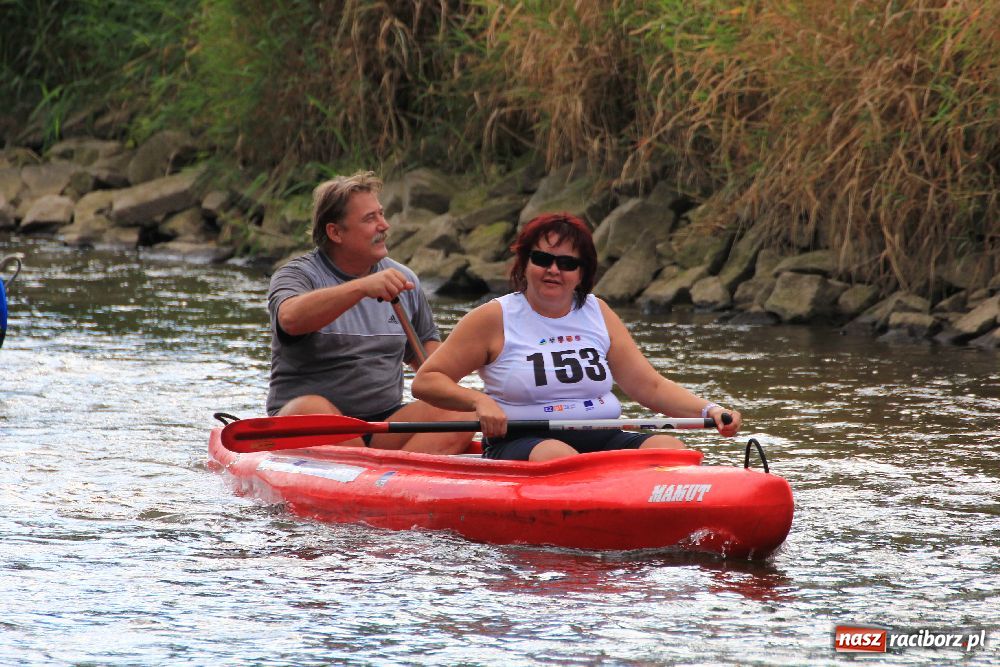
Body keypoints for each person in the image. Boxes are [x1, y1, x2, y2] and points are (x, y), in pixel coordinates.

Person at [411, 212, 742, 461]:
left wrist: (708, 410)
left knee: (670, 450)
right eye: (542, 259)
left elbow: (650, 386)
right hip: (523, 441)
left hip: (601, 434)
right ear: (524, 263)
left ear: (581, 273)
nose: (554, 270)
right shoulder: (492, 318)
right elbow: (427, 381)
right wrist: (480, 401)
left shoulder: (598, 311)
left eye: (567, 263)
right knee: (560, 458)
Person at [265, 170, 471, 454]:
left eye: (382, 214)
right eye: (370, 219)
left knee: (463, 411)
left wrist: (486, 391)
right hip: (309, 423)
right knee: (312, 408)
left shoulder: (403, 278)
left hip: (382, 427)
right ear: (335, 232)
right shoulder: (296, 275)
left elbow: (429, 357)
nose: (384, 225)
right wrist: (361, 287)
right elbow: (290, 319)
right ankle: (380, 475)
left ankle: (392, 483)